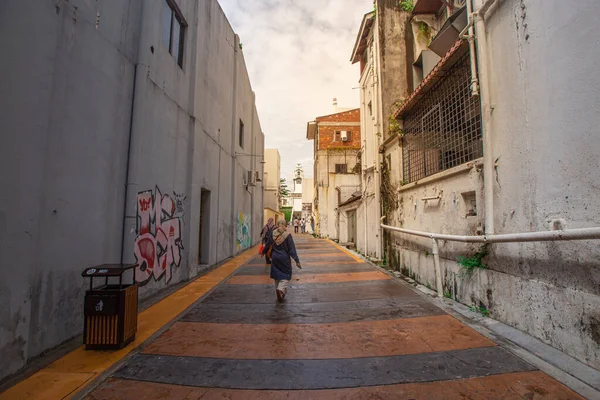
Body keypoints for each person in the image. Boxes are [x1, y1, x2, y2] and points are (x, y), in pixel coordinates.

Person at [261, 220, 301, 302]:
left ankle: (280, 293)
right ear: (285, 226)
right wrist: (297, 260)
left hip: (275, 258)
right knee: (287, 274)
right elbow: (292, 249)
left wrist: (263, 252)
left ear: (277, 225)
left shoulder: (273, 234)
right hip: (284, 258)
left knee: (277, 275)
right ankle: (280, 289)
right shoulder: (287, 235)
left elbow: (268, 244)